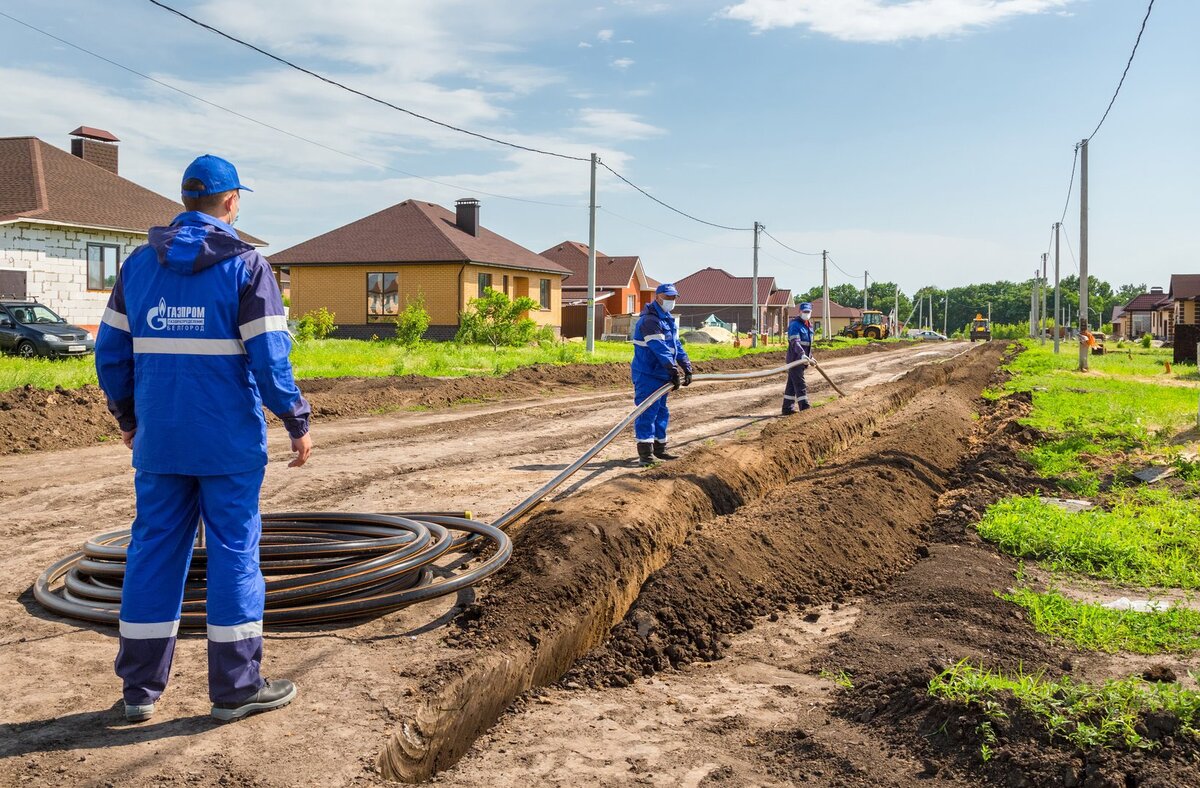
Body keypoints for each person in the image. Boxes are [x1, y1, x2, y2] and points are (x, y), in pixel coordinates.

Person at [95, 154, 312, 723]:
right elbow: (270, 358)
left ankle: (139, 692)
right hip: (228, 444)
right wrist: (296, 420)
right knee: (234, 556)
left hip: (161, 441)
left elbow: (110, 354)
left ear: (186, 199)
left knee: (153, 554)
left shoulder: (139, 266)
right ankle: (236, 690)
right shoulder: (247, 267)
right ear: (231, 201)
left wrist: (127, 418)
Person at [631, 282, 692, 467]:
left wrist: (686, 365)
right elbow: (660, 348)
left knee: (661, 411)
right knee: (647, 411)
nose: (671, 301)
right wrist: (672, 369)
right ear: (657, 297)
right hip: (648, 373)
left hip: (661, 374)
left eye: (674, 297)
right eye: (668, 297)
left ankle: (660, 448)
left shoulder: (667, 319)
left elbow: (676, 346)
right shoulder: (650, 321)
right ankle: (645, 454)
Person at [783, 302, 816, 414]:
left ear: (811, 312)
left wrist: (811, 357)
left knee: (792, 385)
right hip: (795, 360)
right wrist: (802, 354)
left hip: (803, 360)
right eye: (804, 311)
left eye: (808, 312)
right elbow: (795, 342)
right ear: (800, 312)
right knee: (800, 384)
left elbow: (808, 344)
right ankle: (805, 408)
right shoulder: (795, 325)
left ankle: (787, 408)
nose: (806, 314)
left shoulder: (809, 326)